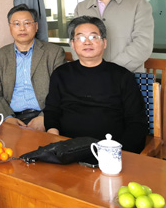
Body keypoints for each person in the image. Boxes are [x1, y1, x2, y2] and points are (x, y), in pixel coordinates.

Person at [44, 16, 147, 153]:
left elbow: (137, 123)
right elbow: (51, 111)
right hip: (67, 150)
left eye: (93, 37)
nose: (87, 42)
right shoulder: (61, 74)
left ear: (104, 43)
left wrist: (118, 153)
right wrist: (55, 141)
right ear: (73, 44)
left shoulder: (123, 76)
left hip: (110, 153)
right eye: (80, 37)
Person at [0, 4, 65, 131]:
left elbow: (62, 91)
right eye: (16, 24)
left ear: (36, 26)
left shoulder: (54, 53)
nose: (22, 28)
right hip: (11, 116)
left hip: (44, 116)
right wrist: (7, 118)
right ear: (10, 28)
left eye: (27, 23)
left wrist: (46, 117)